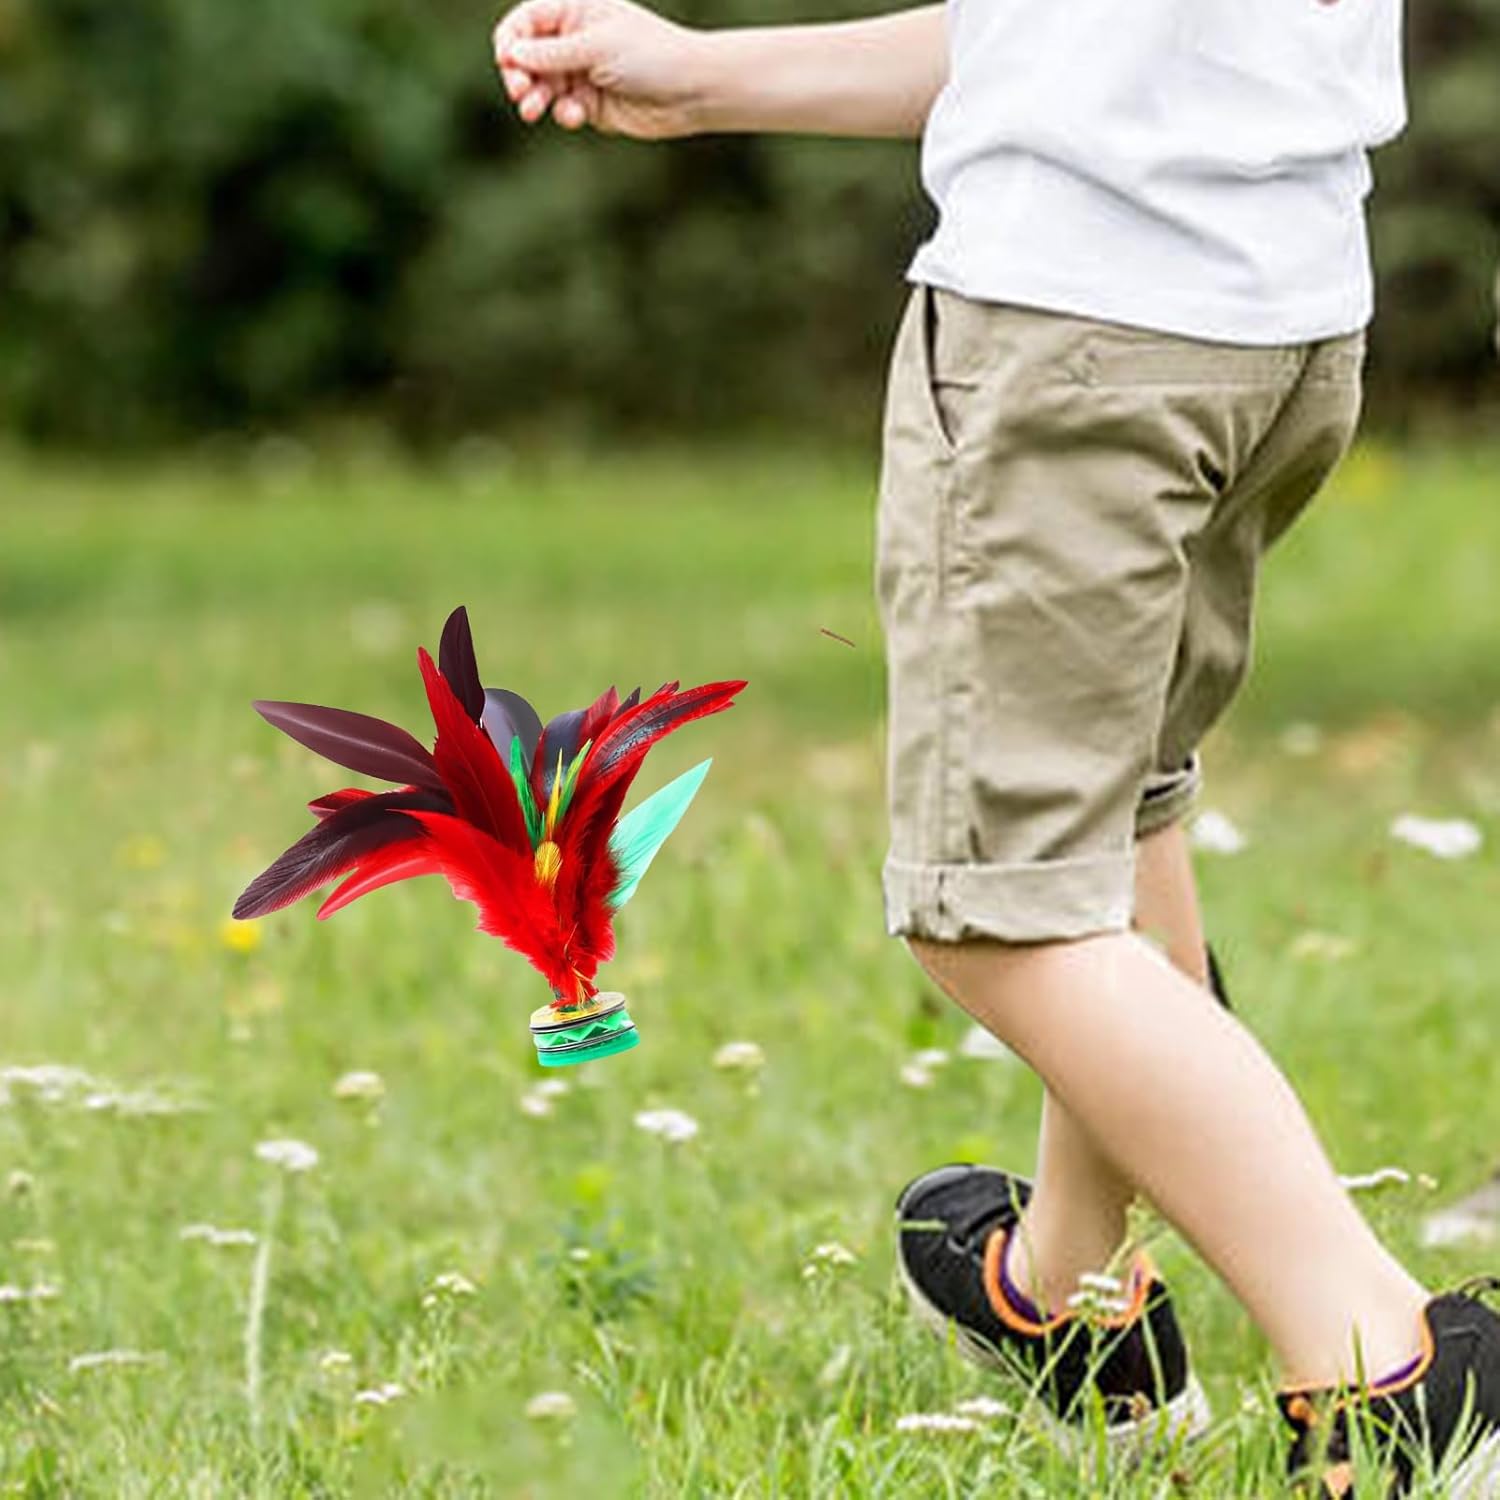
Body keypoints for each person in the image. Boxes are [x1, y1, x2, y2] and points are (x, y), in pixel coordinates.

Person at [490, 3, 1500, 1491]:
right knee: (1115, 820)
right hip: (1277, 331)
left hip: (1076, 332)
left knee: (998, 912)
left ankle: (1391, 1371)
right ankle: (1073, 1301)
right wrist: (707, 77)